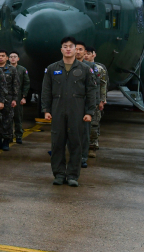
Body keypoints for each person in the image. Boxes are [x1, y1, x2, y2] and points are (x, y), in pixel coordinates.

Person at [42, 37, 95, 187]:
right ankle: (59, 174)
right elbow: (46, 90)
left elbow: (91, 91)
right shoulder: (52, 68)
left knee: (75, 143)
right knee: (57, 143)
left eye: (71, 46)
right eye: (65, 46)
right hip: (58, 109)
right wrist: (46, 109)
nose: (68, 49)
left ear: (75, 49)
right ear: (61, 49)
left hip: (77, 110)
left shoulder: (84, 69)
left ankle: (72, 175)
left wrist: (89, 111)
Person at [75, 42, 99, 168]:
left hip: (84, 104)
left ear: (85, 52)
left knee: (84, 132)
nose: (78, 52)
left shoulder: (91, 66)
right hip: (69, 103)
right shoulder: (65, 65)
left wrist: (94, 104)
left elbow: (95, 87)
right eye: (76, 49)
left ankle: (83, 157)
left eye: (81, 50)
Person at [84, 46, 108, 158]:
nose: (86, 55)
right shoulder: (79, 66)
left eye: (88, 53)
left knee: (94, 124)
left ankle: (92, 147)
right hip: (83, 100)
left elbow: (103, 85)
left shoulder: (99, 69)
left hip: (95, 100)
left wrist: (102, 100)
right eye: (85, 53)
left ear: (94, 54)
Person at [0, 49, 19, 151]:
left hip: (8, 99)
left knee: (7, 120)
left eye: (3, 56)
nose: (0, 57)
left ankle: (6, 141)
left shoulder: (12, 69)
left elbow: (15, 85)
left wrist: (14, 99)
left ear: (6, 58)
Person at [9, 51, 30, 144]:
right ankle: (8, 136)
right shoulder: (5, 69)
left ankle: (18, 136)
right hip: (7, 96)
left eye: (15, 56)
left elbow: (26, 83)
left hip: (18, 96)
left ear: (18, 58)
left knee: (18, 117)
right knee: (7, 118)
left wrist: (24, 97)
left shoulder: (22, 70)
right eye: (11, 57)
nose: (13, 58)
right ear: (8, 59)